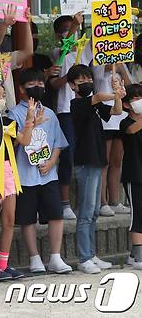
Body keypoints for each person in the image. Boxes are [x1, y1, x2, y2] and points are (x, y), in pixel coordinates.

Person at [8, 68, 72, 274]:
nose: (38, 88)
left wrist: (52, 161)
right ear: (21, 89)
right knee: (27, 218)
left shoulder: (51, 114)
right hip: (25, 175)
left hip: (48, 175)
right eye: (32, 85)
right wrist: (29, 123)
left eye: (41, 84)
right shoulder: (14, 113)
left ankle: (55, 257)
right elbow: (14, 144)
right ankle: (34, 258)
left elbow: (58, 142)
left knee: (56, 214)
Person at [67, 64, 123, 274]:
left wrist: (117, 95)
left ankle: (90, 254)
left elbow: (116, 111)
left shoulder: (95, 104)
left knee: (93, 213)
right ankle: (84, 257)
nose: (86, 83)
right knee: (86, 211)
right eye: (81, 81)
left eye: (88, 79)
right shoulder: (77, 104)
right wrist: (114, 92)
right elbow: (99, 96)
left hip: (98, 159)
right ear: (73, 85)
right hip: (85, 161)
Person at [0, 85, 34, 281]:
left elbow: (25, 141)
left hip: (9, 171)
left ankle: (3, 264)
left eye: (2, 95)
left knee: (9, 220)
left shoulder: (9, 121)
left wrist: (29, 121)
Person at [49, 12, 85, 220]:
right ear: (57, 35)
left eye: (70, 29)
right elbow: (54, 84)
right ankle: (64, 202)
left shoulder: (83, 51)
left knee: (84, 156)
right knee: (68, 155)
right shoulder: (58, 53)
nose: (69, 33)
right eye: (64, 31)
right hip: (65, 111)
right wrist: (68, 78)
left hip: (85, 109)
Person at [94, 63, 131, 217]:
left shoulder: (122, 64)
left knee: (116, 161)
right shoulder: (97, 65)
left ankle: (115, 201)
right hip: (106, 116)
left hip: (121, 115)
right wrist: (112, 64)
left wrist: (122, 68)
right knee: (105, 161)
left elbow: (130, 87)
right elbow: (98, 80)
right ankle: (102, 202)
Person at [120, 84, 142, 270]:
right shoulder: (125, 122)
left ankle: (133, 255)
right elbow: (132, 130)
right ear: (127, 105)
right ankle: (139, 256)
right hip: (134, 175)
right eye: (136, 99)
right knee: (137, 215)